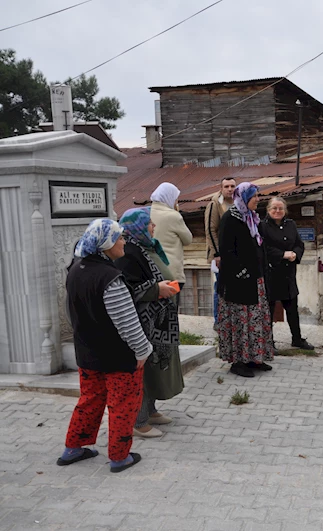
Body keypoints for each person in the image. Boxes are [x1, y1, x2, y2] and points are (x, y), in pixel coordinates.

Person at [58, 219, 151, 473]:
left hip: (87, 353)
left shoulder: (76, 270)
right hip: (118, 357)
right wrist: (142, 351)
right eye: (119, 237)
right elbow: (127, 322)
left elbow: (71, 313)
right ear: (105, 243)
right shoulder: (110, 278)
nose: (123, 242)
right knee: (123, 404)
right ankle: (120, 457)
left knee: (89, 399)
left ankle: (73, 448)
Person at [116, 207, 183, 439]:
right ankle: (139, 420)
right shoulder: (128, 252)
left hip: (157, 319)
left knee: (154, 367)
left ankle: (151, 410)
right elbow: (128, 287)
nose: (153, 227)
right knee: (144, 370)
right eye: (149, 224)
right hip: (143, 321)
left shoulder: (145, 247)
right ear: (136, 227)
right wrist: (157, 289)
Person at [215, 182, 276, 377]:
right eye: (254, 196)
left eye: (258, 195)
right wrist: (241, 273)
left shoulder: (252, 218)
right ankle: (238, 362)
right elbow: (227, 251)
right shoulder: (230, 219)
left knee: (255, 321)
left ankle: (254, 359)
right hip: (238, 283)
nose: (258, 199)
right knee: (241, 322)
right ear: (244, 198)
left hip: (255, 279)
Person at [261, 197, 314, 350]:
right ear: (268, 210)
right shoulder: (262, 226)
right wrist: (283, 254)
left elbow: (299, 244)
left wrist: (295, 255)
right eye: (274, 208)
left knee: (292, 309)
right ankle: (268, 343)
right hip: (271, 273)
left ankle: (297, 339)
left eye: (280, 208)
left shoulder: (290, 224)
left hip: (288, 274)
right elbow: (264, 248)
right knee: (269, 311)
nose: (277, 211)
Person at [150, 182, 193, 311]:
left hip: (152, 269)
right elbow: (188, 239)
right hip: (172, 271)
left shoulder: (146, 213)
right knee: (172, 310)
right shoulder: (173, 216)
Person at [205, 177, 236, 321]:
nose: (230, 189)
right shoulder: (215, 204)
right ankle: (218, 319)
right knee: (220, 287)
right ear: (221, 188)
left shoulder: (238, 203)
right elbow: (211, 229)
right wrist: (217, 253)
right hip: (220, 253)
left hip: (235, 253)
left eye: (232, 186)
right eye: (227, 186)